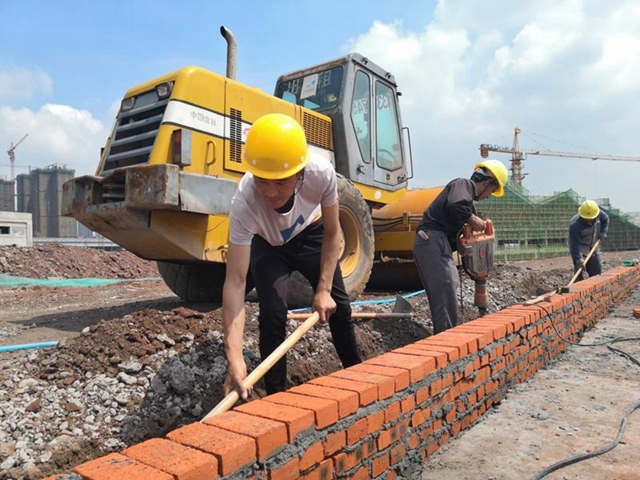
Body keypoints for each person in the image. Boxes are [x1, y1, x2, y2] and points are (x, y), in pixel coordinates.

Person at [222, 113, 362, 399]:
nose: (271, 193)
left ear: (300, 175)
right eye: (263, 182)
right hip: (269, 246)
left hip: (311, 235)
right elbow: (235, 282)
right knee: (272, 314)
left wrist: (323, 289)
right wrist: (233, 355)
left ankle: (357, 376)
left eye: (281, 183)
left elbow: (334, 233)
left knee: (339, 307)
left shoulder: (321, 175)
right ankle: (276, 397)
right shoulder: (244, 202)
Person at [412, 159, 508, 335]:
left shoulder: (468, 203)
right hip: (431, 239)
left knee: (448, 286)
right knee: (446, 285)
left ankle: (446, 337)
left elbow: (459, 226)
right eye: (492, 192)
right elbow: (455, 204)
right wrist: (472, 219)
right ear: (488, 182)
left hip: (437, 243)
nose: (488, 197)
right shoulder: (463, 184)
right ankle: (446, 340)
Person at [569, 200, 609, 281]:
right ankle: (579, 287)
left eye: (591, 218)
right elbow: (575, 245)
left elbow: (606, 219)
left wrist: (602, 232)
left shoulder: (597, 212)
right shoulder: (575, 224)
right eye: (587, 218)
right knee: (579, 270)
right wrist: (579, 259)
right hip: (580, 247)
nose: (589, 220)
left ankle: (596, 286)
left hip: (592, 244)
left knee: (596, 268)